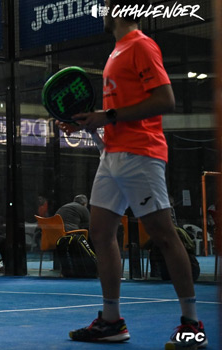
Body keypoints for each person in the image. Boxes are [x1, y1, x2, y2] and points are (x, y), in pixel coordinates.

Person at [57, 1, 206, 348]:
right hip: (112, 155)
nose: (104, 9)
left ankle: (192, 324)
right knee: (100, 231)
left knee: (163, 235)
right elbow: (114, 113)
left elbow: (165, 100)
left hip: (141, 153)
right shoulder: (117, 51)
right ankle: (111, 321)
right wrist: (89, 121)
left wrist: (107, 116)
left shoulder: (140, 44)